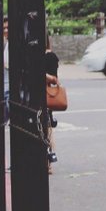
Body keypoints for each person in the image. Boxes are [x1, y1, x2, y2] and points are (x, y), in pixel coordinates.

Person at [45, 36, 60, 174]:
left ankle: (48, 162)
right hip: (30, 95)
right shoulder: (29, 55)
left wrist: (40, 74)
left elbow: (55, 79)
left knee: (47, 128)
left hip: (44, 96)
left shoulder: (50, 56)